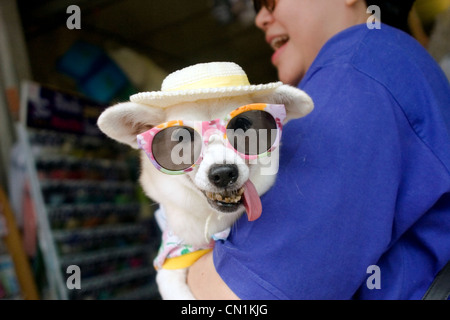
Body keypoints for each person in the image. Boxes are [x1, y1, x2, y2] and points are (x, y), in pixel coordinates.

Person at [187, 0, 450, 299]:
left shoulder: (352, 73)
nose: (260, 17)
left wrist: (182, 262)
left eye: (268, 1)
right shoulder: (389, 60)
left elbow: (238, 295)